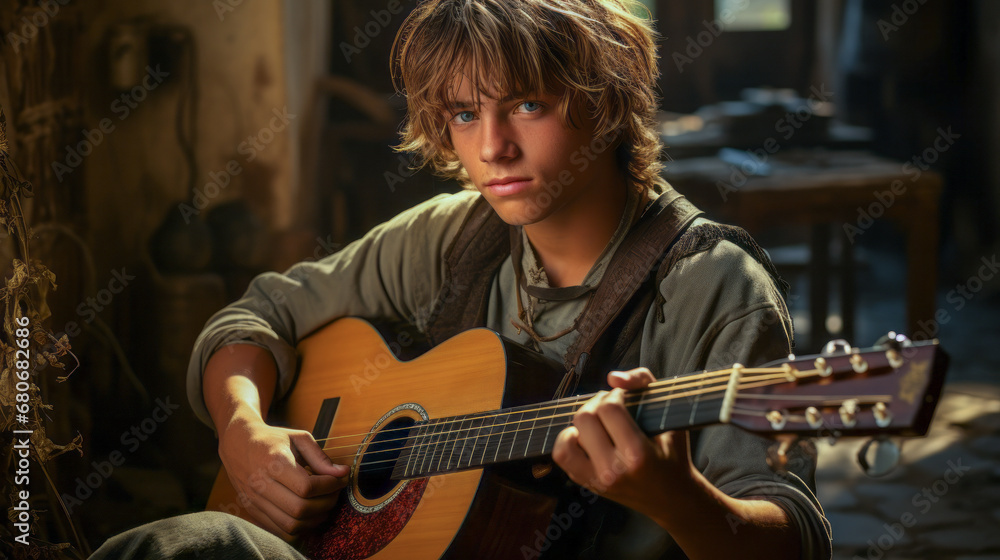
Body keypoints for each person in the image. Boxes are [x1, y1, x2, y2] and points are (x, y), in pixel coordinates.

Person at [91, 0, 831, 558]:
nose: (493, 147)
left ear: (605, 100)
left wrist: (682, 500)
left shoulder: (713, 287)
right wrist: (242, 430)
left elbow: (791, 538)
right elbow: (257, 316)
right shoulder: (452, 235)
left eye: (528, 105)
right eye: (464, 114)